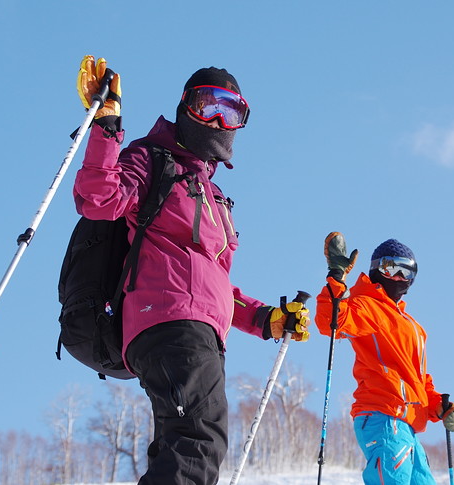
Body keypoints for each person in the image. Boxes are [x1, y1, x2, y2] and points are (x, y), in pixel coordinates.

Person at [73, 55, 310, 485]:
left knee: (184, 448)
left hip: (196, 330)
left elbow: (210, 282)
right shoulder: (153, 159)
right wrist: (106, 128)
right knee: (198, 442)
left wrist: (265, 318)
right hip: (169, 323)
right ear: (185, 108)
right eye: (208, 106)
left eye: (232, 112)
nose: (218, 121)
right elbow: (98, 199)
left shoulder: (214, 195)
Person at [315, 232, 454, 485]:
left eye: (406, 272)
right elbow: (332, 321)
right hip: (384, 416)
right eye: (390, 267)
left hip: (407, 425)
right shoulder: (368, 305)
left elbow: (417, 378)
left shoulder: (411, 326)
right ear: (376, 269)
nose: (398, 277)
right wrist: (336, 276)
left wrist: (438, 406)